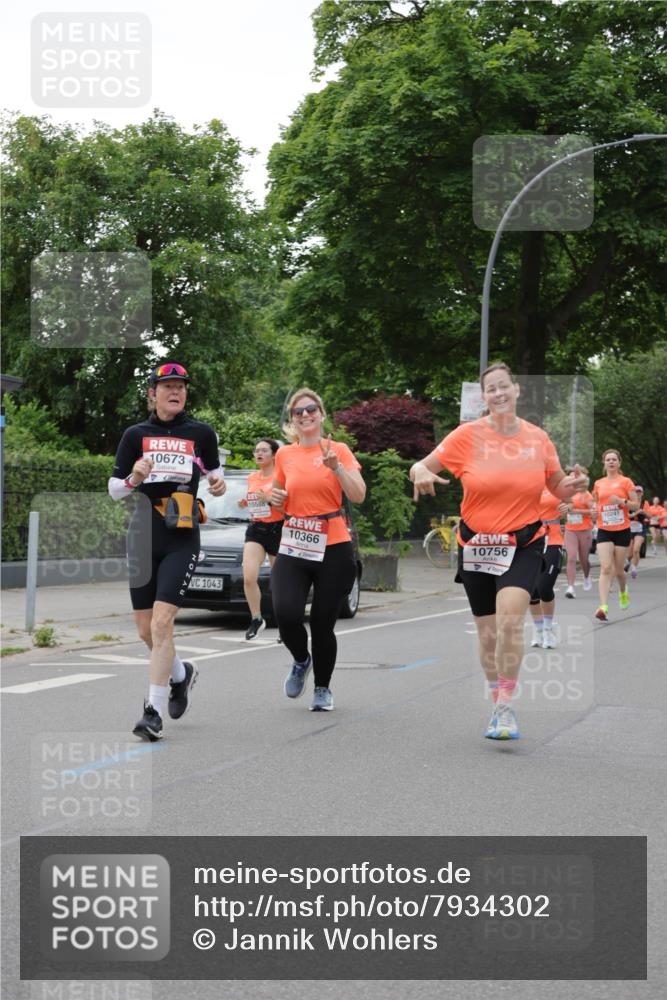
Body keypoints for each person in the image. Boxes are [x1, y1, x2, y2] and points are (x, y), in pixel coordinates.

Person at [410, 362, 588, 741]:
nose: (498, 393)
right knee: (488, 634)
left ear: (516, 390)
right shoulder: (466, 436)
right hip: (476, 544)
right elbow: (420, 466)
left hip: (523, 543)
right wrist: (421, 473)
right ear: (484, 396)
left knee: (510, 621)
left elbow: (556, 486)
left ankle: (505, 707)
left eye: (503, 386)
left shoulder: (538, 438)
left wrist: (573, 486)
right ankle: (496, 697)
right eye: (490, 389)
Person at [108, 363, 226, 740]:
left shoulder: (201, 434)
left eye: (181, 387)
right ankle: (181, 675)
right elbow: (115, 489)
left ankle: (152, 713)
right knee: (145, 629)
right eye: (167, 386)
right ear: (152, 393)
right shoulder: (135, 435)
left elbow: (214, 476)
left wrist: (218, 485)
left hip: (181, 532)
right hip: (143, 532)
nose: (175, 392)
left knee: (162, 624)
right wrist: (134, 478)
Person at [270, 388, 365, 712]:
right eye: (299, 412)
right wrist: (274, 498)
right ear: (292, 420)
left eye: (311, 409)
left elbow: (359, 494)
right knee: (285, 612)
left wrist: (337, 467)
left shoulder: (338, 449)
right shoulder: (284, 455)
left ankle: (322, 688)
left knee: (323, 622)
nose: (305, 415)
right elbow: (278, 497)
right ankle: (300, 659)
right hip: (295, 543)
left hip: (333, 546)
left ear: (322, 414)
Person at [239, 438, 284, 639]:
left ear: (274, 454)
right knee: (248, 577)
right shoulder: (252, 477)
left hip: (278, 529)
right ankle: (256, 618)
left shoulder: (281, 476)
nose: (259, 454)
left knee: (281, 582)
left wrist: (270, 500)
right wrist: (243, 502)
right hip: (256, 528)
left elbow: (288, 505)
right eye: (256, 450)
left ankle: (285, 622)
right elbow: (251, 501)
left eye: (264, 450)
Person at [592, 449, 638, 622]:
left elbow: (635, 506)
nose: (611, 462)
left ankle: (623, 592)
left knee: (619, 570)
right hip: (604, 529)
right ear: (604, 463)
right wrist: (594, 512)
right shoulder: (598, 483)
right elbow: (597, 505)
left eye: (614, 459)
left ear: (619, 463)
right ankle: (603, 607)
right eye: (608, 460)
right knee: (605, 567)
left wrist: (621, 502)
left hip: (622, 530)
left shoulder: (626, 482)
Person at [529, 487, 567, 649]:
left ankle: (548, 628)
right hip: (530, 541)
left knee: (544, 586)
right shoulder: (526, 484)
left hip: (553, 540)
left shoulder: (557, 486)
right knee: (532, 591)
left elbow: (572, 503)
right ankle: (538, 629)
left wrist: (568, 508)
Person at [562, 470, 595, 598]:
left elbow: (593, 512)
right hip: (570, 530)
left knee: (583, 560)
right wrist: (564, 511)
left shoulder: (586, 495)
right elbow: (562, 513)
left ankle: (587, 576)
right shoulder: (565, 495)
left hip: (585, 530)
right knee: (571, 558)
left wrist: (575, 511)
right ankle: (570, 587)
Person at [625, 486, 647, 579]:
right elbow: (626, 515)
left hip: (640, 529)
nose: (638, 493)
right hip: (630, 529)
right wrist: (636, 513)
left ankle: (634, 569)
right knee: (629, 554)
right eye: (636, 492)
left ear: (642, 493)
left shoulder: (645, 503)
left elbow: (650, 515)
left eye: (639, 492)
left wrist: (644, 512)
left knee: (636, 550)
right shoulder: (630, 503)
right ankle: (628, 563)